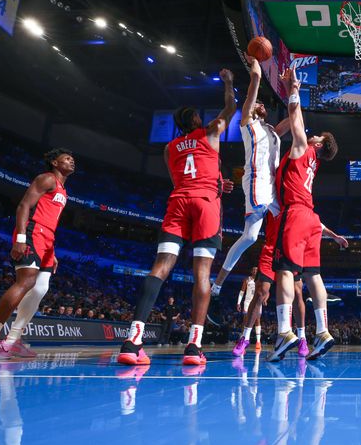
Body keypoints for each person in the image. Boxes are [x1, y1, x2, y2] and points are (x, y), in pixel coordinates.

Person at [117, 68, 236, 367]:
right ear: (196, 121)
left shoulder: (170, 148)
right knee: (201, 274)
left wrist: (216, 180)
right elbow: (232, 107)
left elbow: (178, 180)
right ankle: (193, 348)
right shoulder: (210, 132)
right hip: (206, 204)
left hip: (179, 202)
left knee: (159, 268)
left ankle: (132, 341)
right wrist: (230, 83)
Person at [0, 149, 75, 359]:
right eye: (67, 158)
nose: (72, 161)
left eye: (73, 159)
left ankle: (12, 341)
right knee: (25, 283)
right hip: (33, 232)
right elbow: (24, 206)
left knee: (41, 288)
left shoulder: (63, 189)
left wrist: (51, 251)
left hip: (47, 238)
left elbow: (50, 217)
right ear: (54, 162)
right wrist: (20, 239)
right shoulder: (46, 178)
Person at [268, 67, 339, 362]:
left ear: (319, 145)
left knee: (284, 270)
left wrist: (292, 87)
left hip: (296, 214)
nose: (312, 135)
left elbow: (296, 116)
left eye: (317, 136)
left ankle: (285, 331)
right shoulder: (314, 163)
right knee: (314, 276)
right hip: (312, 219)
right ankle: (323, 331)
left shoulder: (302, 149)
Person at [210, 55, 292, 298]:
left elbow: (295, 116)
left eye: (264, 105)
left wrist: (291, 90)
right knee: (250, 236)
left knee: (274, 231)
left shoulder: (273, 131)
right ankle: (219, 283)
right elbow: (253, 88)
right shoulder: (248, 123)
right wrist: (256, 67)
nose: (262, 105)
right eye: (260, 104)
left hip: (274, 186)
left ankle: (289, 275)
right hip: (256, 181)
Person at [232, 221, 348, 357]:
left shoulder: (294, 205)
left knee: (297, 292)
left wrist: (333, 236)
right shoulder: (271, 201)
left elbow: (313, 220)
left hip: (290, 249)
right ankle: (245, 338)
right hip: (271, 248)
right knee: (260, 292)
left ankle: (302, 338)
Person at [237, 267, 263, 352]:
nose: (255, 271)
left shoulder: (261, 280)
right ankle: (242, 340)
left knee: (257, 321)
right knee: (245, 321)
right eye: (254, 269)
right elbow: (242, 292)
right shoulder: (247, 280)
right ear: (251, 271)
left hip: (257, 302)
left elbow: (265, 291)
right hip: (247, 302)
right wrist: (238, 302)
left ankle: (258, 342)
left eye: (256, 269)